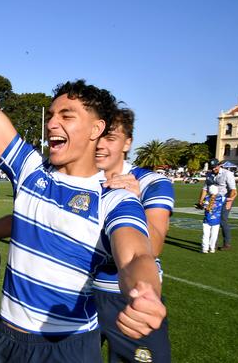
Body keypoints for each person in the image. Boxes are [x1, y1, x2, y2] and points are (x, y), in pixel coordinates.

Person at [0, 5, 165, 362]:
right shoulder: (31, 171)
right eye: (51, 115)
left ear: (96, 130)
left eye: (67, 116)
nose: (52, 124)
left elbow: (136, 255)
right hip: (7, 337)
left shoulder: (114, 198)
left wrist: (144, 291)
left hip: (68, 347)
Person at [93, 108, 173, 363]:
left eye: (111, 138)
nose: (100, 146)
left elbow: (155, 246)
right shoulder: (80, 179)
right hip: (81, 293)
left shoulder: (152, 182)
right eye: (97, 137)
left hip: (131, 294)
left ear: (128, 142)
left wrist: (134, 200)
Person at [197, 158, 238, 251]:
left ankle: (226, 243)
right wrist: (200, 201)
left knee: (223, 220)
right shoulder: (209, 174)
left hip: (225, 199)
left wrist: (229, 202)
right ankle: (212, 244)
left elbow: (233, 190)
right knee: (211, 221)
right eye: (212, 168)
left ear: (219, 165)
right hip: (212, 200)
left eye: (215, 167)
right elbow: (205, 189)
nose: (213, 169)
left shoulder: (227, 174)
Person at [201, 185, 225, 254]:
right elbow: (229, 199)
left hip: (207, 219)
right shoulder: (221, 198)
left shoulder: (206, 198)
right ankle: (212, 248)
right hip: (216, 220)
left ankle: (205, 249)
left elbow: (203, 207)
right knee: (214, 235)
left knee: (205, 235)